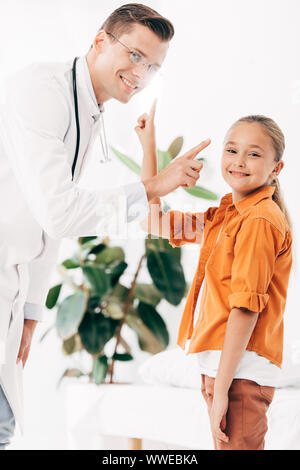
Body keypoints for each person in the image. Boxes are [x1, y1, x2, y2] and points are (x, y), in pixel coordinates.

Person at [0, 3, 207, 449]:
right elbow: (60, 212)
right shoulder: (43, 91)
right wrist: (153, 186)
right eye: (135, 56)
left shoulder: (88, 111)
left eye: (153, 66)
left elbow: (45, 220)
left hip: (12, 292)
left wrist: (32, 309)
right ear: (99, 41)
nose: (142, 73)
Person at [138, 108, 293, 450]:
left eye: (254, 154)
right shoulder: (225, 217)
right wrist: (149, 146)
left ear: (276, 168)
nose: (239, 160)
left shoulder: (259, 221)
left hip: (240, 376)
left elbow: (245, 309)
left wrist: (221, 390)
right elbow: (152, 222)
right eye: (231, 149)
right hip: (224, 371)